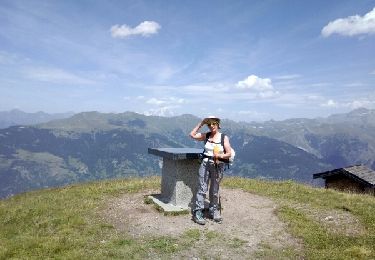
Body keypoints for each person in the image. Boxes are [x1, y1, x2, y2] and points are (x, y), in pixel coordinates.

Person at [189, 116, 232, 225]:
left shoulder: (223, 137)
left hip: (217, 164)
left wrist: (219, 155)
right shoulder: (207, 136)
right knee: (202, 187)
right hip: (205, 163)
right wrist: (201, 123)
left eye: (213, 123)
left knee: (214, 188)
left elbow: (229, 154)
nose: (211, 126)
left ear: (218, 125)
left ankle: (214, 210)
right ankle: (198, 212)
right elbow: (192, 135)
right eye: (209, 124)